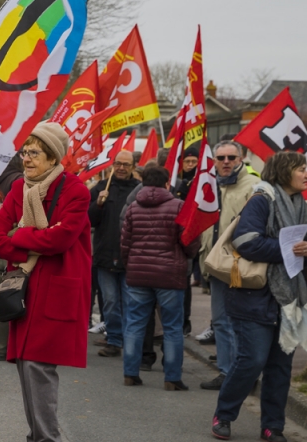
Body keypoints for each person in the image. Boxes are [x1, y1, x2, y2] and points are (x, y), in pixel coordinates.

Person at [0, 122, 91, 442]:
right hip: (25, 287)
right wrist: (37, 234)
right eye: (25, 151)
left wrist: (22, 233)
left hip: (57, 287)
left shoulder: (76, 191)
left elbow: (61, 241)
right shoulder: (19, 187)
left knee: (38, 366)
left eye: (34, 152)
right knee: (24, 365)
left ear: (52, 158)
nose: (26, 158)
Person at [211, 151, 307, 442]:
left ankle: (272, 425)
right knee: (251, 360)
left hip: (289, 300)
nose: (305, 173)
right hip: (255, 296)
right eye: (301, 168)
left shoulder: (302, 205)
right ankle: (223, 415)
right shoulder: (262, 199)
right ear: (284, 171)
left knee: (280, 366)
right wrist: (289, 249)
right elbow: (246, 241)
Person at [119, 166, 198, 388]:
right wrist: (187, 258)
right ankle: (172, 378)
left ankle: (130, 373)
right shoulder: (179, 206)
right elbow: (190, 240)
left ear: (143, 183)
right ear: (167, 184)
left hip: (138, 274)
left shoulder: (133, 208)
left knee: (134, 324)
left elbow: (124, 243)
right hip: (170, 275)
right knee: (172, 327)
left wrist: (131, 265)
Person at [198, 140, 258, 390]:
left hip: (241, 266)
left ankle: (245, 375)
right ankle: (226, 372)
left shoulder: (254, 186)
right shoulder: (210, 184)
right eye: (220, 158)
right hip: (216, 266)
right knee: (221, 321)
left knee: (243, 323)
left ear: (241, 158)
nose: (225, 162)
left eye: (231, 158)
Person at [87, 150, 139, 358]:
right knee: (109, 301)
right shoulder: (100, 188)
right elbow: (89, 220)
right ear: (112, 165)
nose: (121, 168)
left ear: (133, 167)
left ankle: (129, 340)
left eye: (126, 164)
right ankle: (114, 339)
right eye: (118, 164)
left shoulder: (138, 190)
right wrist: (98, 204)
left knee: (129, 301)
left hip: (130, 256)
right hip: (105, 254)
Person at [0, 152, 24, 361]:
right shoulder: (18, 181)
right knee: (15, 300)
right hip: (13, 249)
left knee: (3, 298)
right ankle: (10, 349)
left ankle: (0, 347)